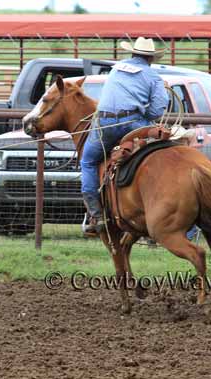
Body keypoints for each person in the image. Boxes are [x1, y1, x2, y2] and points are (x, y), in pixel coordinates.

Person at [80, 37, 169, 236]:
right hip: (132, 123)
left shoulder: (116, 69)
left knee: (87, 161)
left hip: (103, 122)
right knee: (163, 146)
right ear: (151, 58)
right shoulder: (153, 77)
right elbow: (156, 112)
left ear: (132, 53)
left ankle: (95, 215)